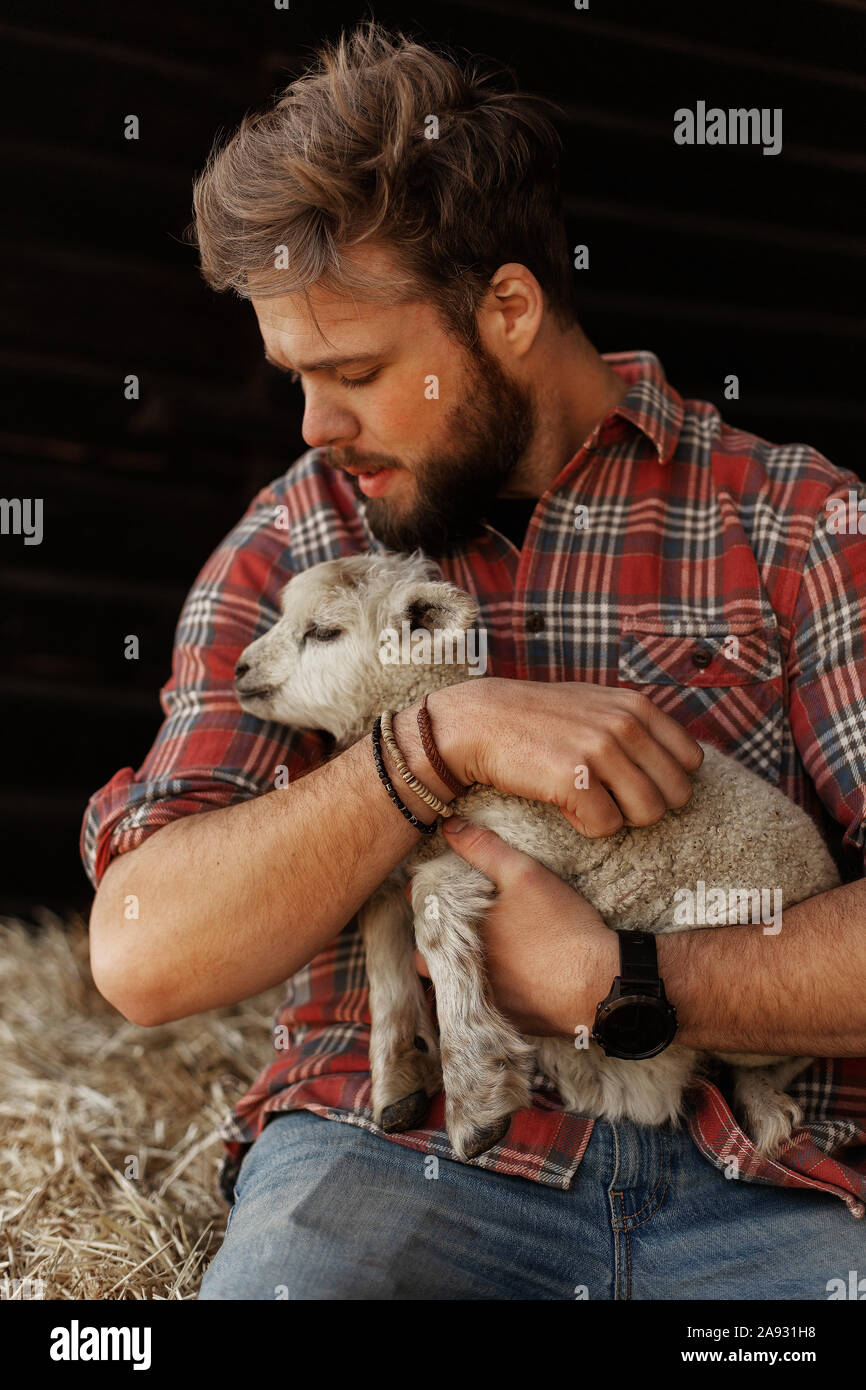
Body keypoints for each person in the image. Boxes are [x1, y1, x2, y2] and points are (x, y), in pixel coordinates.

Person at [81, 23, 866, 1300]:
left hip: (767, 1184)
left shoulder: (798, 523)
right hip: (386, 1167)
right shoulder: (294, 541)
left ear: (506, 306)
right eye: (293, 377)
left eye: (355, 372)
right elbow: (141, 950)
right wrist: (433, 743)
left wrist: (633, 984)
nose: (312, 426)